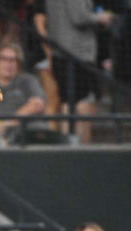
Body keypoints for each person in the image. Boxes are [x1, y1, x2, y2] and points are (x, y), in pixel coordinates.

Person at [46, 0, 113, 143]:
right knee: (83, 101)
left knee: (67, 101)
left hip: (60, 51)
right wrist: (101, 17)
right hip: (78, 54)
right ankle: (82, 149)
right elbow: (79, 17)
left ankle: (68, 147)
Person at [0, 43, 47, 144]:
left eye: (12, 60)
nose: (8, 64)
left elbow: (37, 104)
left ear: (18, 64)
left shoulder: (27, 81)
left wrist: (6, 123)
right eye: (4, 59)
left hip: (24, 136)